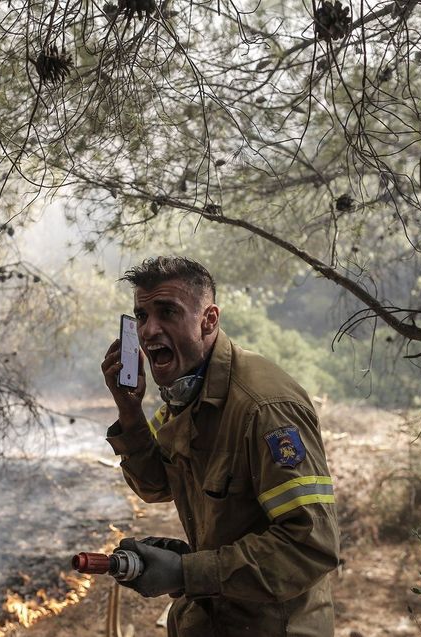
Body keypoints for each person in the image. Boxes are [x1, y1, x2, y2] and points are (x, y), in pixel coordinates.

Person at [101, 256, 340, 637]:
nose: (149, 330)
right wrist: (129, 413)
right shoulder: (188, 392)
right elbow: (155, 485)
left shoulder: (265, 407)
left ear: (209, 319)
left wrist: (187, 571)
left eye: (167, 312)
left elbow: (311, 546)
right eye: (141, 316)